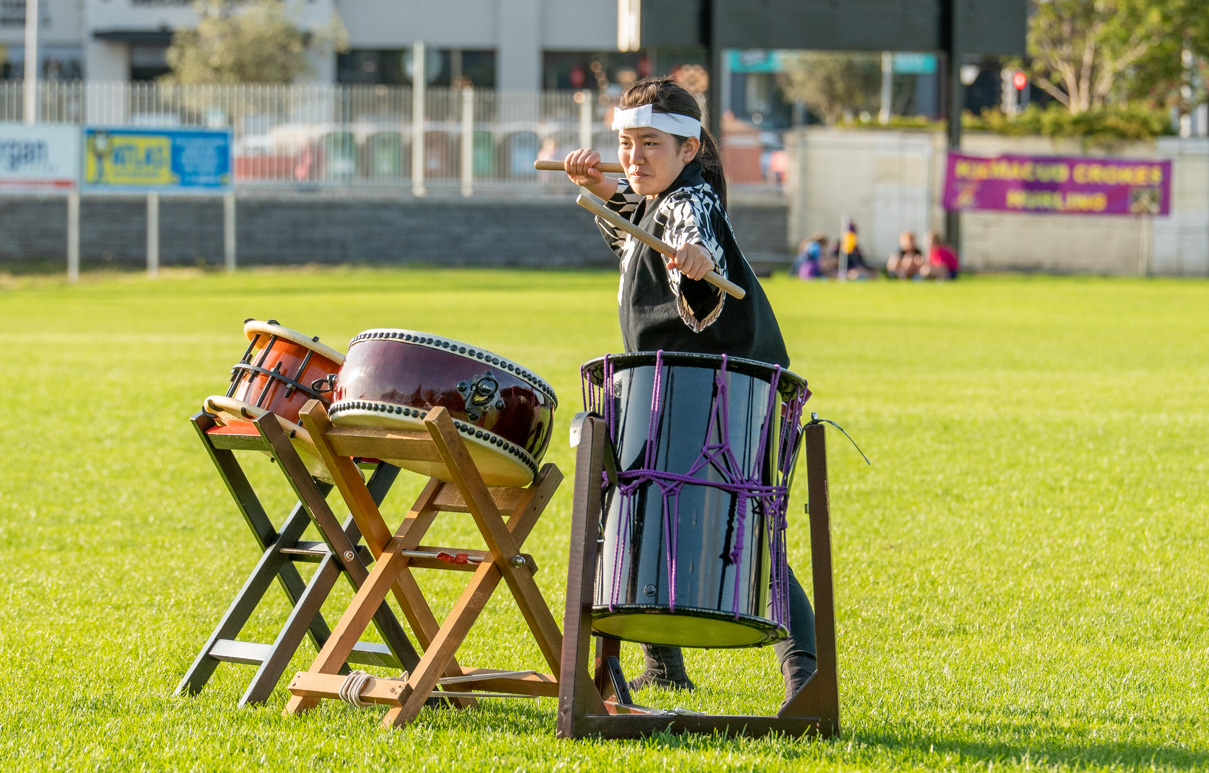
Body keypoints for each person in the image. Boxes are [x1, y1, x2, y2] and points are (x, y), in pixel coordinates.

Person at [563, 76, 818, 708]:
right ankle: (664, 666)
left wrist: (699, 264)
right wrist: (598, 187)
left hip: (725, 390)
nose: (635, 158)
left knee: (741, 528)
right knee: (652, 514)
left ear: (687, 150)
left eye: (650, 144)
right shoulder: (656, 199)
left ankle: (806, 675)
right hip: (675, 386)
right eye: (625, 143)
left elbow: (690, 235)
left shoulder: (691, 199)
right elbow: (635, 233)